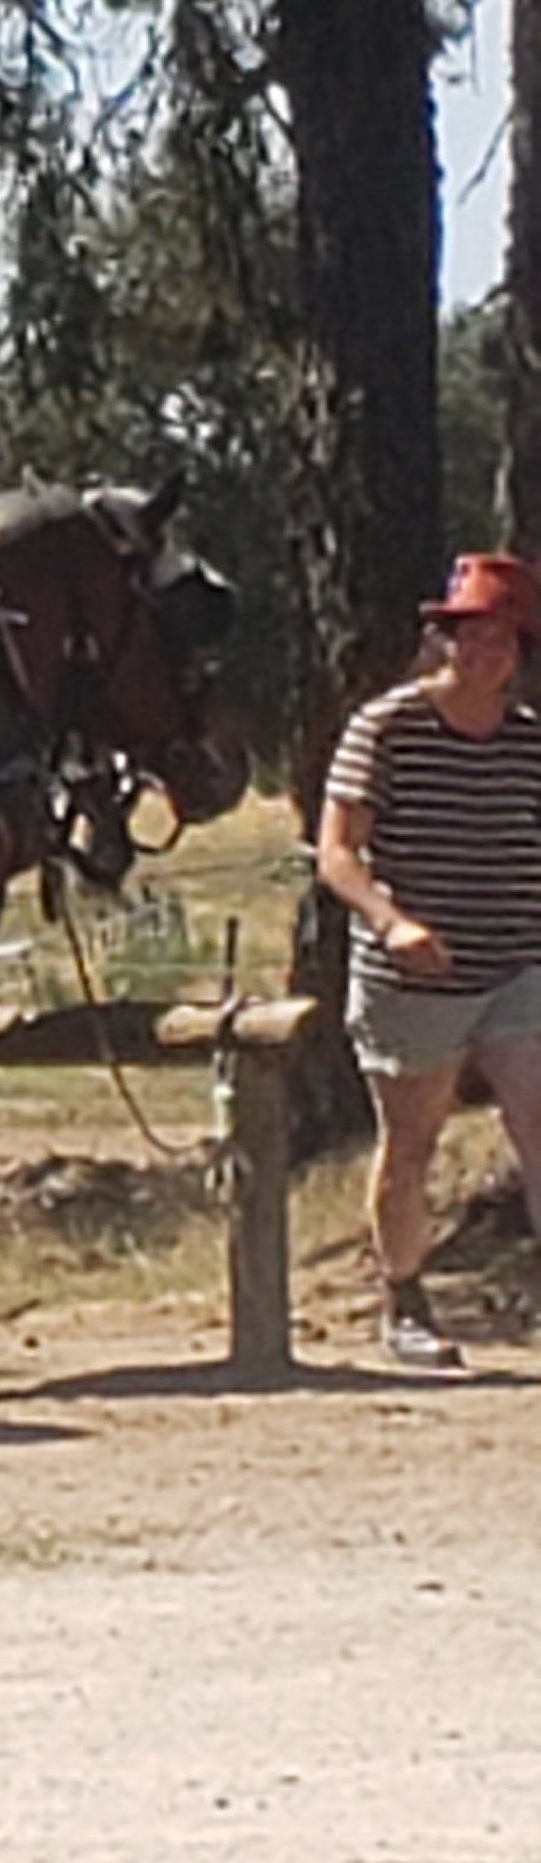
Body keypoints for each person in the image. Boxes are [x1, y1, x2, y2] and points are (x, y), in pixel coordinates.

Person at [313, 551, 541, 1371]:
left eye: (501, 639)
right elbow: (335, 853)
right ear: (443, 641)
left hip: (517, 959)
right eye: (469, 637)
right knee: (412, 1140)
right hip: (416, 973)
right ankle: (404, 1299)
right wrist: (390, 921)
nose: (485, 655)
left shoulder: (527, 741)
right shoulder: (387, 726)